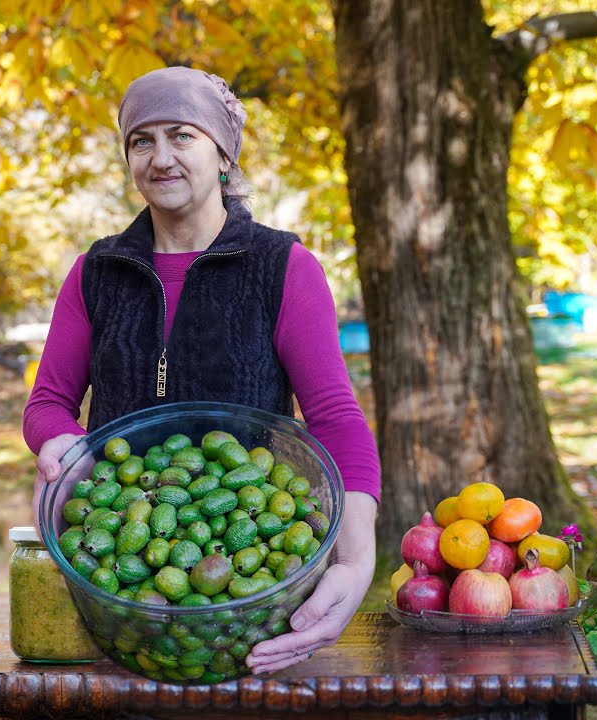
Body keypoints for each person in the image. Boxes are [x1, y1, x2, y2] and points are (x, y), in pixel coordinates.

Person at [23, 66, 380, 674]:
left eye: (182, 135)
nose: (161, 158)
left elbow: (335, 417)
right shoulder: (95, 272)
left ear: (223, 153)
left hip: (249, 575)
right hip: (123, 577)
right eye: (142, 141)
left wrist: (353, 562)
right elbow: (48, 403)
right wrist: (61, 444)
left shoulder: (283, 266)